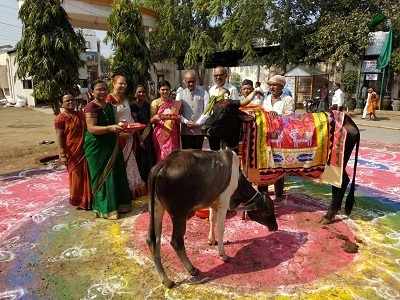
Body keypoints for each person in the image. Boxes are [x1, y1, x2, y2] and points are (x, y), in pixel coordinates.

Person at [84, 80, 132, 219]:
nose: (102, 92)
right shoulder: (90, 107)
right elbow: (91, 128)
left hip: (112, 144)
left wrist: (121, 126)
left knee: (117, 173)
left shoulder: (110, 106)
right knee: (102, 177)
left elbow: (115, 123)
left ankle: (120, 205)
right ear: (92, 92)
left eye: (105, 89)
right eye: (99, 89)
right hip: (97, 147)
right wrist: (110, 128)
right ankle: (104, 208)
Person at [106, 74, 145, 197]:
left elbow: (129, 117)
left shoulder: (126, 99)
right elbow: (108, 121)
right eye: (120, 83)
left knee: (131, 163)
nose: (123, 85)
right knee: (119, 164)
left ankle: (132, 189)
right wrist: (118, 131)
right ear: (113, 83)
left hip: (130, 136)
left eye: (125, 83)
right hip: (117, 137)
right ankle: (121, 192)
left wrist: (134, 127)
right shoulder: (108, 100)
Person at [261, 75, 295, 200]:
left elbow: (291, 117)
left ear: (281, 86)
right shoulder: (267, 98)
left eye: (274, 85)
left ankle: (279, 193)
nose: (272, 87)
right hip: (267, 135)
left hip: (281, 136)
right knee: (266, 164)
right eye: (270, 85)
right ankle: (264, 193)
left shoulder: (287, 99)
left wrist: (278, 116)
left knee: (279, 164)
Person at [55, 94, 91, 210]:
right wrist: (62, 154)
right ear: (62, 103)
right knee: (76, 177)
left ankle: (86, 201)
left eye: (72, 100)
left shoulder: (80, 115)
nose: (70, 102)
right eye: (67, 101)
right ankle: (77, 200)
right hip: (72, 152)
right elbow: (60, 136)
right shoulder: (60, 118)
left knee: (86, 176)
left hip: (84, 150)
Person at [176, 70, 209, 149]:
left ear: (196, 81)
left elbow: (207, 111)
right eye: (188, 82)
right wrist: (186, 121)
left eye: (193, 81)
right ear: (184, 81)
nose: (191, 84)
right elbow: (177, 112)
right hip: (185, 131)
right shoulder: (180, 94)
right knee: (187, 156)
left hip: (199, 131)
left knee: (198, 156)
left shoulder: (204, 93)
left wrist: (197, 123)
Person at [150, 80, 182, 162]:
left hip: (172, 133)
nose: (165, 91)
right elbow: (151, 120)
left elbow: (178, 118)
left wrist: (177, 118)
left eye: (167, 89)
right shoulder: (155, 103)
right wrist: (158, 117)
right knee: (162, 155)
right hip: (160, 133)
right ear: (159, 90)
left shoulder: (175, 103)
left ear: (170, 90)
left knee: (173, 154)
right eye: (162, 89)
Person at [130, 85, 155, 182]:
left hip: (148, 133)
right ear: (135, 93)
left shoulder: (148, 105)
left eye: (143, 92)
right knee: (139, 158)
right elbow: (134, 122)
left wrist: (145, 136)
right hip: (136, 135)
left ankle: (150, 179)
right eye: (139, 92)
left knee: (149, 157)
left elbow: (150, 121)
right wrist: (140, 138)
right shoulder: (132, 106)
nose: (141, 94)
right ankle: (140, 180)